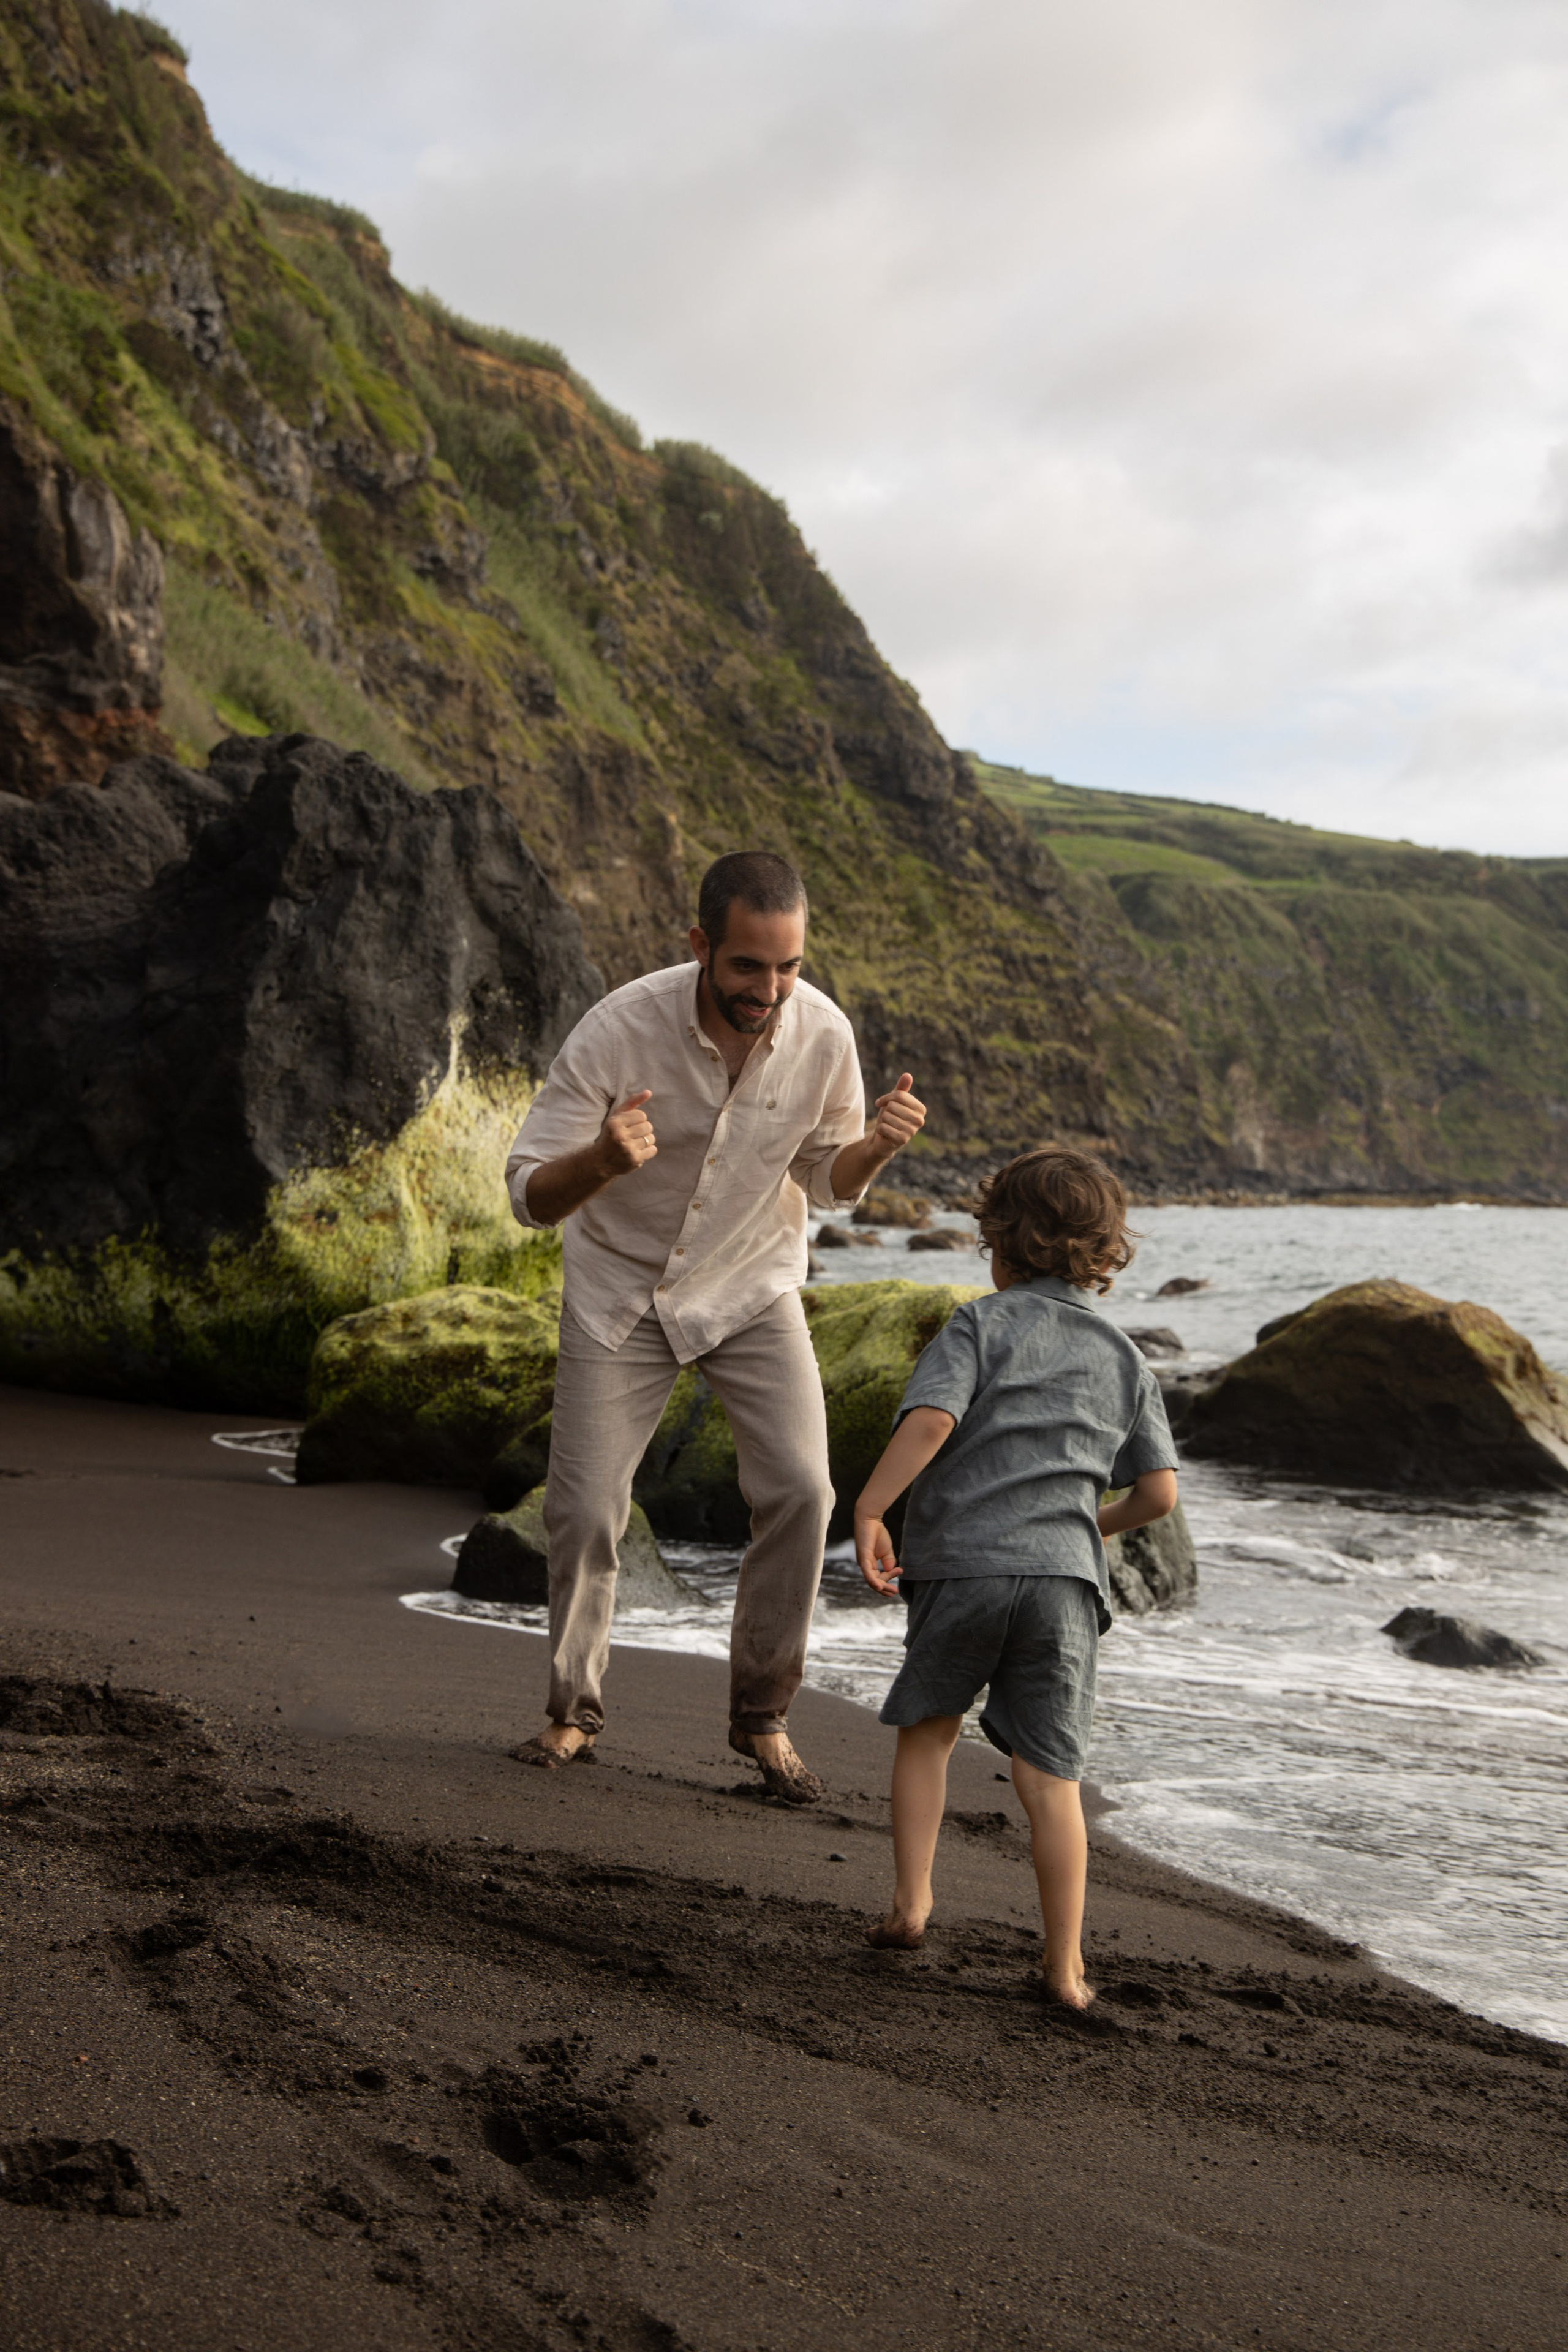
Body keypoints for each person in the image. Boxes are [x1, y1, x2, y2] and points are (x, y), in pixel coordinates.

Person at [505, 850, 927, 1803]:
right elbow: (530, 1194)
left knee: (804, 1492)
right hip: (621, 1289)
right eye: (747, 966)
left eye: (789, 968)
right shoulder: (619, 1029)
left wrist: (874, 1149)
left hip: (750, 1287)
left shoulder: (823, 1035)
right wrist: (602, 1162)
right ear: (700, 945)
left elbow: (827, 1184)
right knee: (583, 1513)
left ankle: (762, 1718)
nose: (769, 990)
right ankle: (573, 1712)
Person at [852, 1146, 1178, 2006]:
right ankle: (1066, 1966)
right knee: (1050, 1776)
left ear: (997, 1240)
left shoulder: (979, 1325)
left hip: (963, 1568)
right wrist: (1082, 1529)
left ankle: (914, 1902)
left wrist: (871, 1510)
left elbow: (930, 1422)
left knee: (930, 1729)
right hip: (1065, 1584)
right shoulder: (1126, 1357)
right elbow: (1158, 1494)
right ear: (1103, 1253)